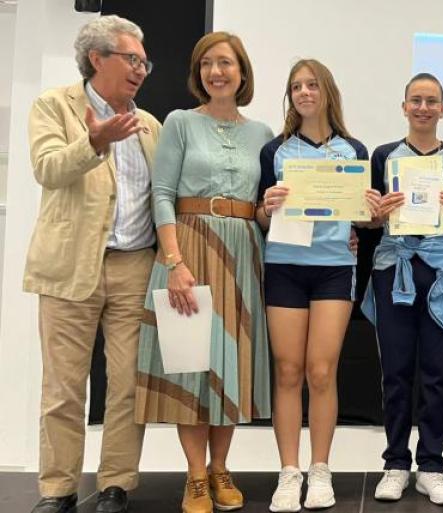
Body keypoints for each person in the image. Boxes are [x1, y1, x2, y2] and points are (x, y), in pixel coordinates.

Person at [133, 32, 273, 513]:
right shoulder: (179, 122)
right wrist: (174, 263)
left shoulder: (263, 134)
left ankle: (220, 468)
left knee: (229, 364)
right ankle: (194, 476)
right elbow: (163, 194)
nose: (218, 72)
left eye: (227, 63)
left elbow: (264, 207)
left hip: (242, 249)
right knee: (191, 362)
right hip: (188, 248)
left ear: (242, 72)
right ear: (198, 73)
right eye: (208, 64)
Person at [25, 15, 159, 513]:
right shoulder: (53, 105)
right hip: (69, 265)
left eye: (145, 62)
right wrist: (94, 142)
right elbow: (47, 168)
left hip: (133, 266)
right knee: (63, 386)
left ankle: (116, 485)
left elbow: (161, 196)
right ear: (97, 58)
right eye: (132, 59)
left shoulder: (150, 124)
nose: (141, 70)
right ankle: (57, 489)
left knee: (126, 384)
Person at [258, 58, 380, 512]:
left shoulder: (353, 150)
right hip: (286, 266)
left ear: (327, 91)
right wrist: (267, 207)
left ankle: (320, 470)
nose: (304, 92)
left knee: (322, 371)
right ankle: (289, 473)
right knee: (288, 371)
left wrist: (369, 213)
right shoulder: (276, 151)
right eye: (296, 86)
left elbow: (365, 221)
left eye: (312, 85)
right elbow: (259, 215)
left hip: (333, 268)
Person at [361, 72, 443, 506]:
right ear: (404, 106)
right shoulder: (384, 156)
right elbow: (369, 221)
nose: (424, 108)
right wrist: (378, 212)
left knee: (436, 374)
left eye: (432, 101)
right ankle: (395, 463)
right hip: (395, 269)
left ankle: (431, 465)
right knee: (395, 371)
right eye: (416, 100)